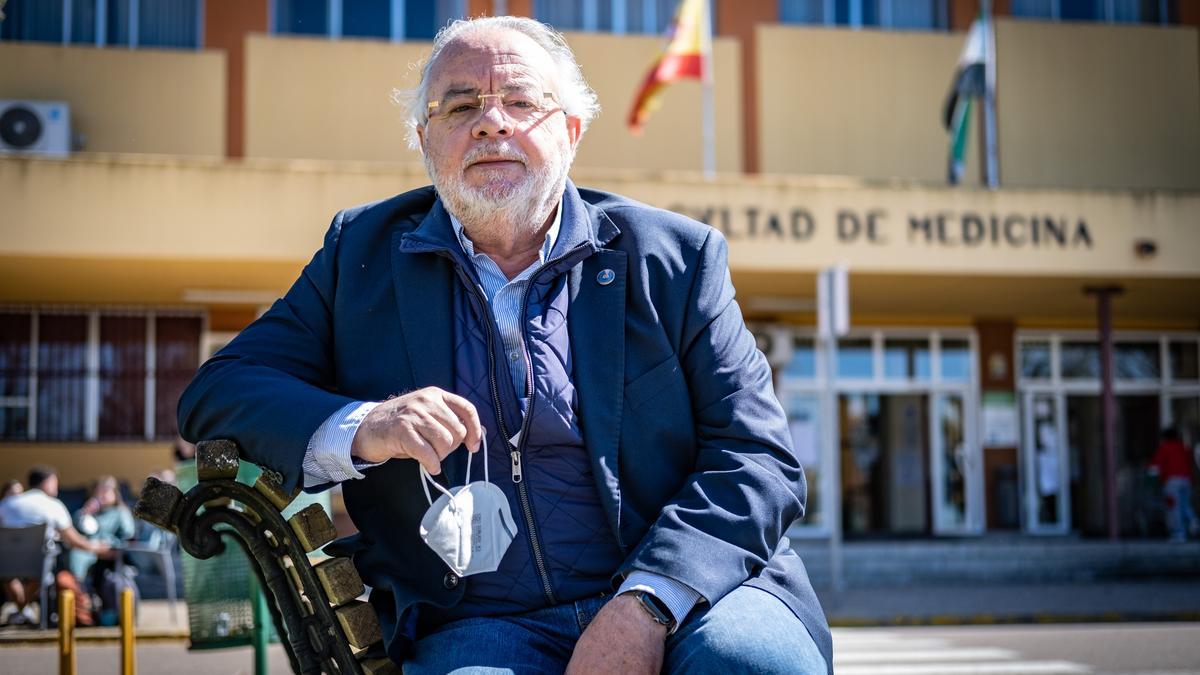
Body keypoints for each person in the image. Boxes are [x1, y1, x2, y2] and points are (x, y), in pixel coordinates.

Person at [179, 15, 831, 674]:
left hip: (693, 594)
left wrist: (647, 602)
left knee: (748, 662)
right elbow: (218, 391)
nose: (492, 122)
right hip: (478, 621)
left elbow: (757, 457)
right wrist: (365, 425)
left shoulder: (673, 259)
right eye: (461, 105)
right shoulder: (360, 257)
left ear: (570, 132)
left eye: (521, 102)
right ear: (426, 139)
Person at [0, 466, 109, 626]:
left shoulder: (7, 503)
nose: (57, 487)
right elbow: (74, 541)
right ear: (47, 482)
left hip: (5, 565)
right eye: (55, 482)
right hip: (38, 566)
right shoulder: (53, 505)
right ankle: (24, 609)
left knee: (8, 574)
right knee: (46, 570)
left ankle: (21, 609)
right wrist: (97, 547)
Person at [68, 475, 136, 583]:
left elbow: (129, 537)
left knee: (79, 555)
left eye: (107, 491)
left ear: (115, 494)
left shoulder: (120, 512)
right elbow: (72, 529)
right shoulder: (93, 512)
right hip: (89, 547)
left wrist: (111, 545)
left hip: (108, 550)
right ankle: (76, 586)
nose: (103, 495)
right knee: (74, 553)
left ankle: (78, 587)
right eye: (100, 491)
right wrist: (85, 512)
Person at [1149, 427, 1198, 542]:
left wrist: (1152, 478)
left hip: (1172, 481)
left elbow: (1155, 467)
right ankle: (1193, 520)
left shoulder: (1165, 447)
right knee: (1185, 505)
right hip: (1186, 480)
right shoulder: (1184, 448)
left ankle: (1179, 533)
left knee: (1174, 507)